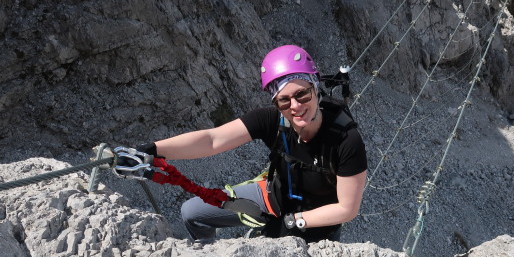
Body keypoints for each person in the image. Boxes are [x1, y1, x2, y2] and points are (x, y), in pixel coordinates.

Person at [130, 45, 367, 243]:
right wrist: (153, 149)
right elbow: (212, 140)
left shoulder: (346, 140)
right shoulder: (272, 120)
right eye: (284, 101)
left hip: (317, 225)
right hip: (271, 198)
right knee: (193, 213)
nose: (295, 106)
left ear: (316, 88)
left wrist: (293, 222)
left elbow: (347, 209)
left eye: (302, 95)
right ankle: (206, 255)